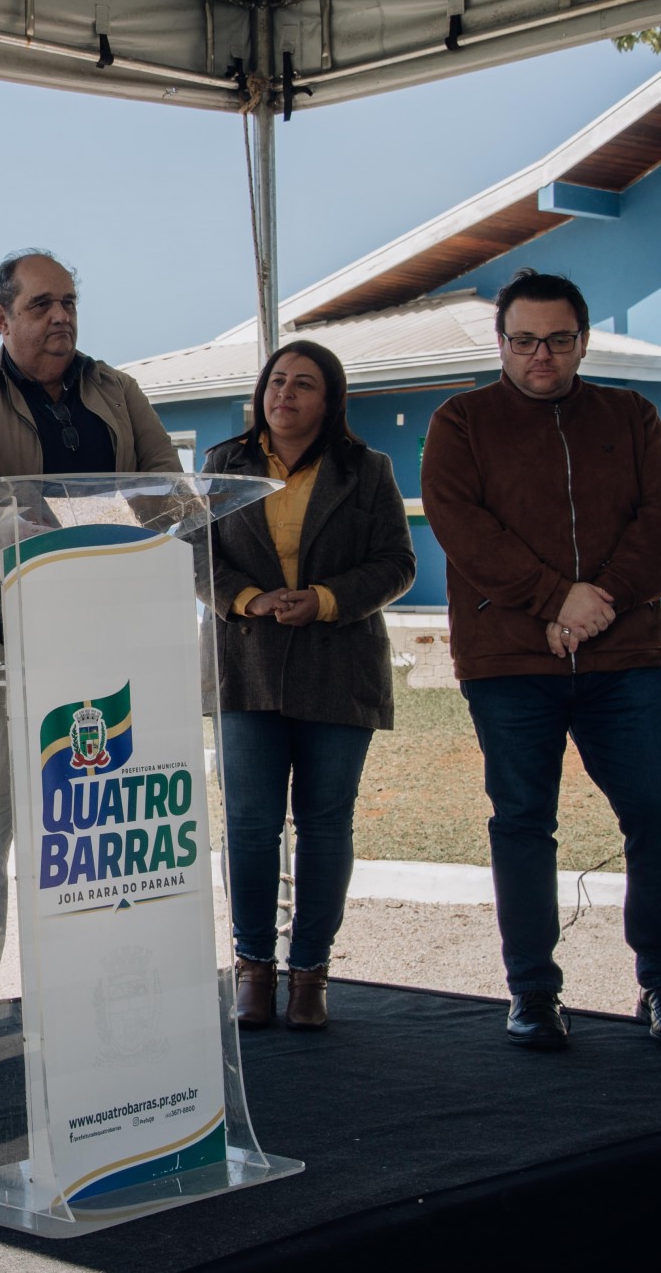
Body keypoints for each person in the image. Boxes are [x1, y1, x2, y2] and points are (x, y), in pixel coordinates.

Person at [421, 269, 661, 1052]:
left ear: (583, 341)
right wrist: (554, 599)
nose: (539, 355)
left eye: (557, 340)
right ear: (500, 342)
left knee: (657, 817)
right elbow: (463, 528)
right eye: (523, 340)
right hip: (509, 661)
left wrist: (597, 601)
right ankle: (534, 993)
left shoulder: (632, 414)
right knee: (522, 823)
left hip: (623, 658)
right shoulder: (460, 421)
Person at [0, 249, 185, 1060]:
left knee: (98, 820)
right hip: (4, 637)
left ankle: (98, 978)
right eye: (41, 305)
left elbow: (168, 485)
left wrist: (111, 516)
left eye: (68, 302)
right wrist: (57, 520)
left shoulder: (117, 389)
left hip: (107, 636)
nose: (61, 317)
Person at [201, 340, 415, 1031]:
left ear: (330, 401)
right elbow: (194, 554)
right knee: (250, 824)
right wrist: (248, 599)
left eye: (303, 384)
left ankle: (310, 972)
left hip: (339, 665)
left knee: (324, 824)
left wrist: (323, 599)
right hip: (248, 665)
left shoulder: (368, 469)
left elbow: (397, 563)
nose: (284, 394)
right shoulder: (222, 465)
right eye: (276, 381)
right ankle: (253, 967)